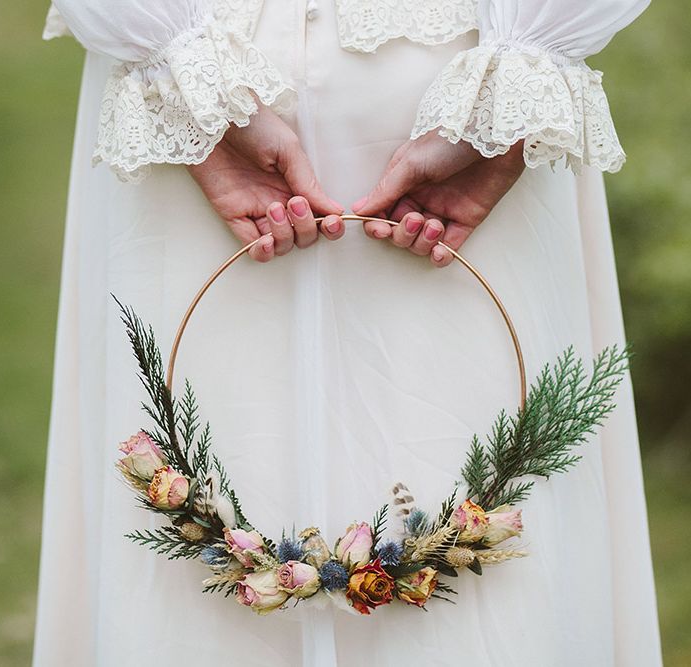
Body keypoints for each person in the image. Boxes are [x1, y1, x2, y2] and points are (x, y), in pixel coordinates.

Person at [34, 1, 663, 665]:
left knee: (478, 473)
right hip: (179, 97)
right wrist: (189, 93)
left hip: (464, 84)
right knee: (212, 446)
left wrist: (505, 102)